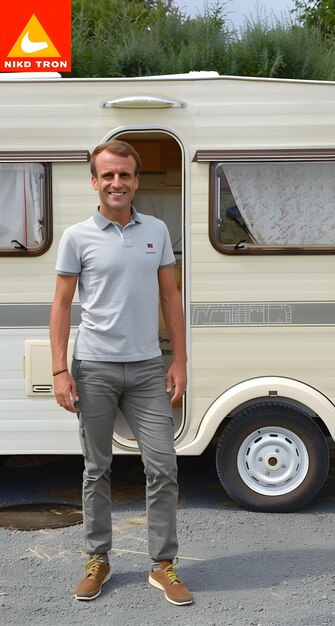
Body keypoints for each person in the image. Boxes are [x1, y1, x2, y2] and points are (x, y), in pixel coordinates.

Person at [49, 139, 192, 606]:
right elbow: (62, 304)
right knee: (97, 469)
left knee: (163, 467)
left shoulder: (157, 230)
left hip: (149, 368)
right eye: (107, 175)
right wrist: (59, 370)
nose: (116, 182)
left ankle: (163, 566)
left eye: (124, 175)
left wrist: (180, 360)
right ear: (94, 181)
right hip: (93, 368)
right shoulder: (76, 237)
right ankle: (99, 560)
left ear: (136, 180)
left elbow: (171, 298)